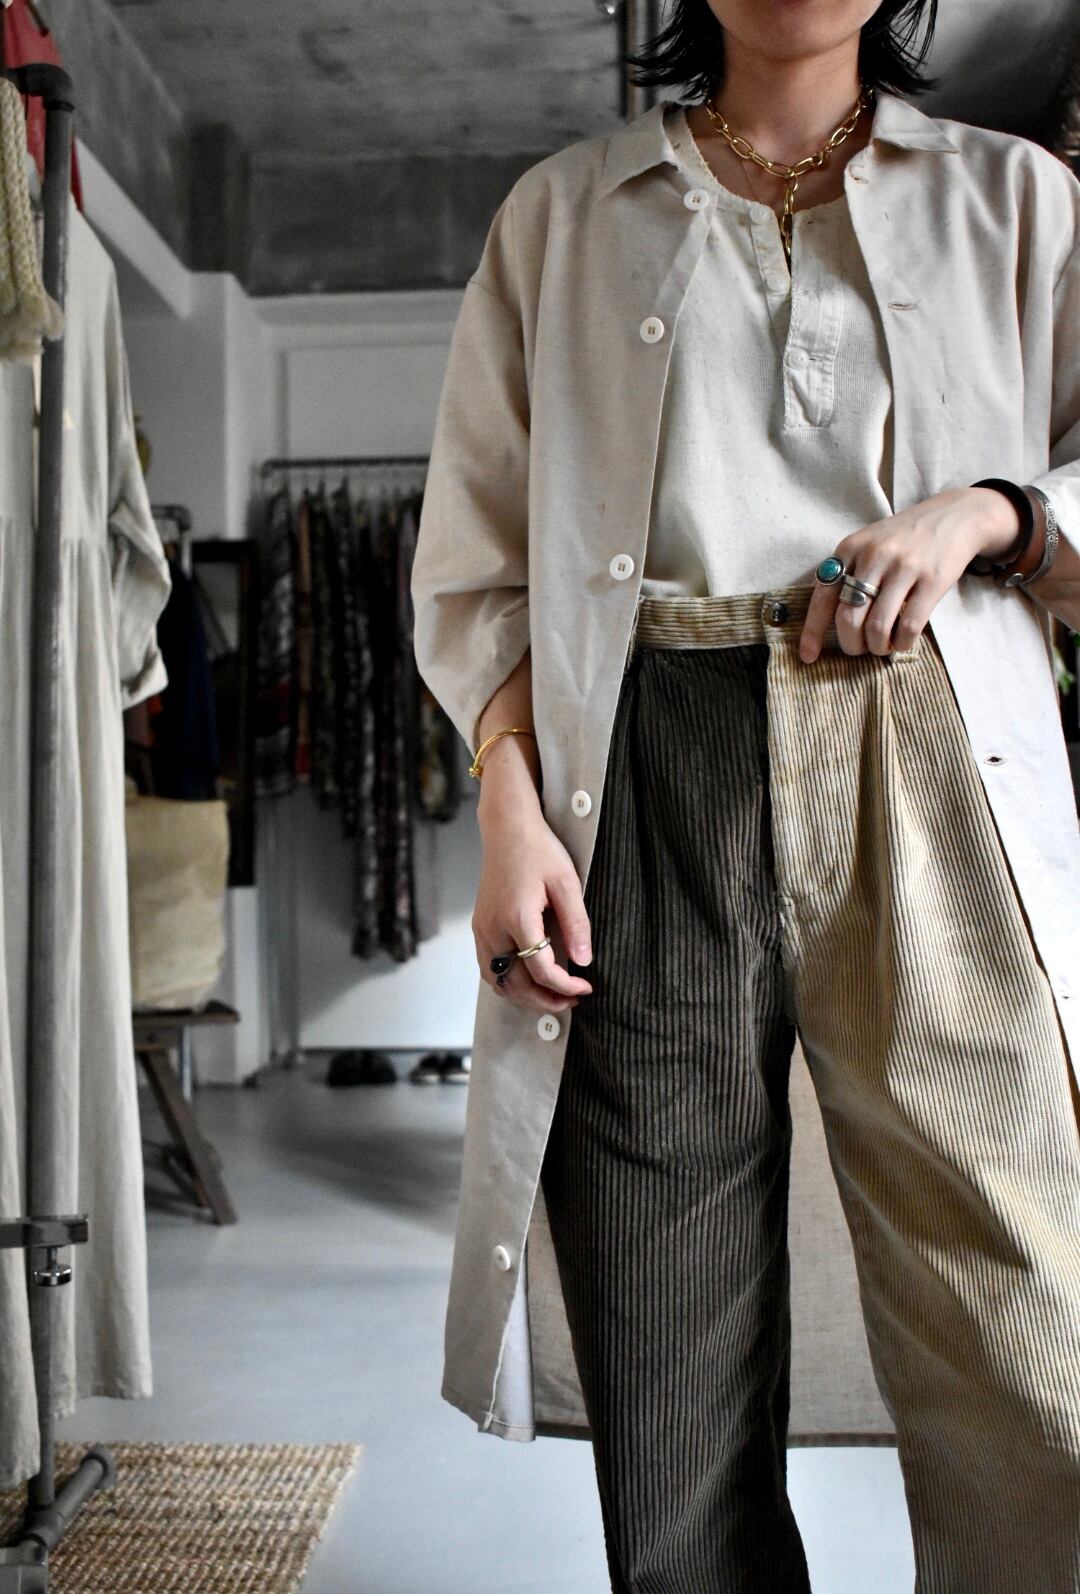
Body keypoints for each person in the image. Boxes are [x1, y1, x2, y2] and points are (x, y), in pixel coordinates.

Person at [410, 2, 1080, 1589]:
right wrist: (509, 802)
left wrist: (991, 511)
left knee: (1029, 1329)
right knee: (668, 1352)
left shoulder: (1017, 198)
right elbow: (479, 561)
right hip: (649, 769)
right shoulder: (563, 215)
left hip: (927, 766)